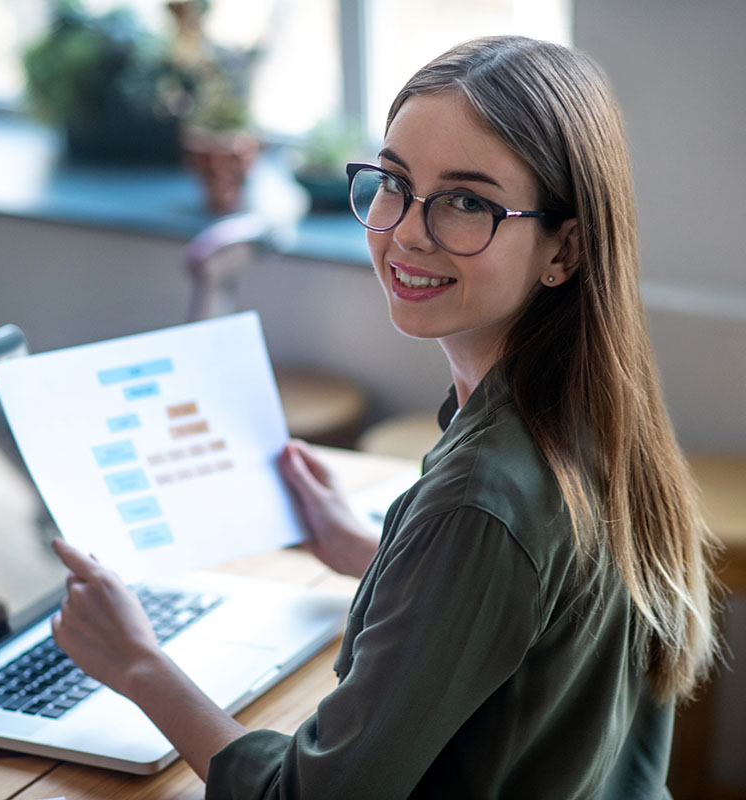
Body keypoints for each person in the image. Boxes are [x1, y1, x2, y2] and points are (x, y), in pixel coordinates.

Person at [51, 35, 720, 798]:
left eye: (467, 202)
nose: (405, 230)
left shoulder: (483, 499)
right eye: (394, 181)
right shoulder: (599, 410)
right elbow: (532, 622)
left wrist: (139, 664)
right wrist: (374, 556)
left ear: (563, 249)